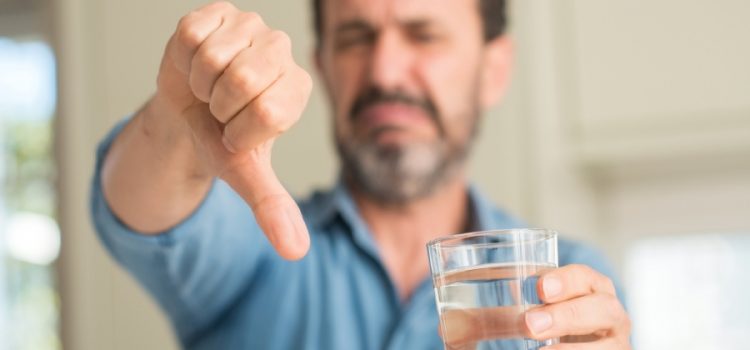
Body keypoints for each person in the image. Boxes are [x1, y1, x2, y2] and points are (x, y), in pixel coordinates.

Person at [91, 0, 632, 349]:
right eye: (355, 38)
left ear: (493, 70)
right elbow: (143, 207)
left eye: (423, 35)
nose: (384, 71)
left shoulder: (567, 278)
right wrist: (175, 121)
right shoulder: (257, 253)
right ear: (323, 68)